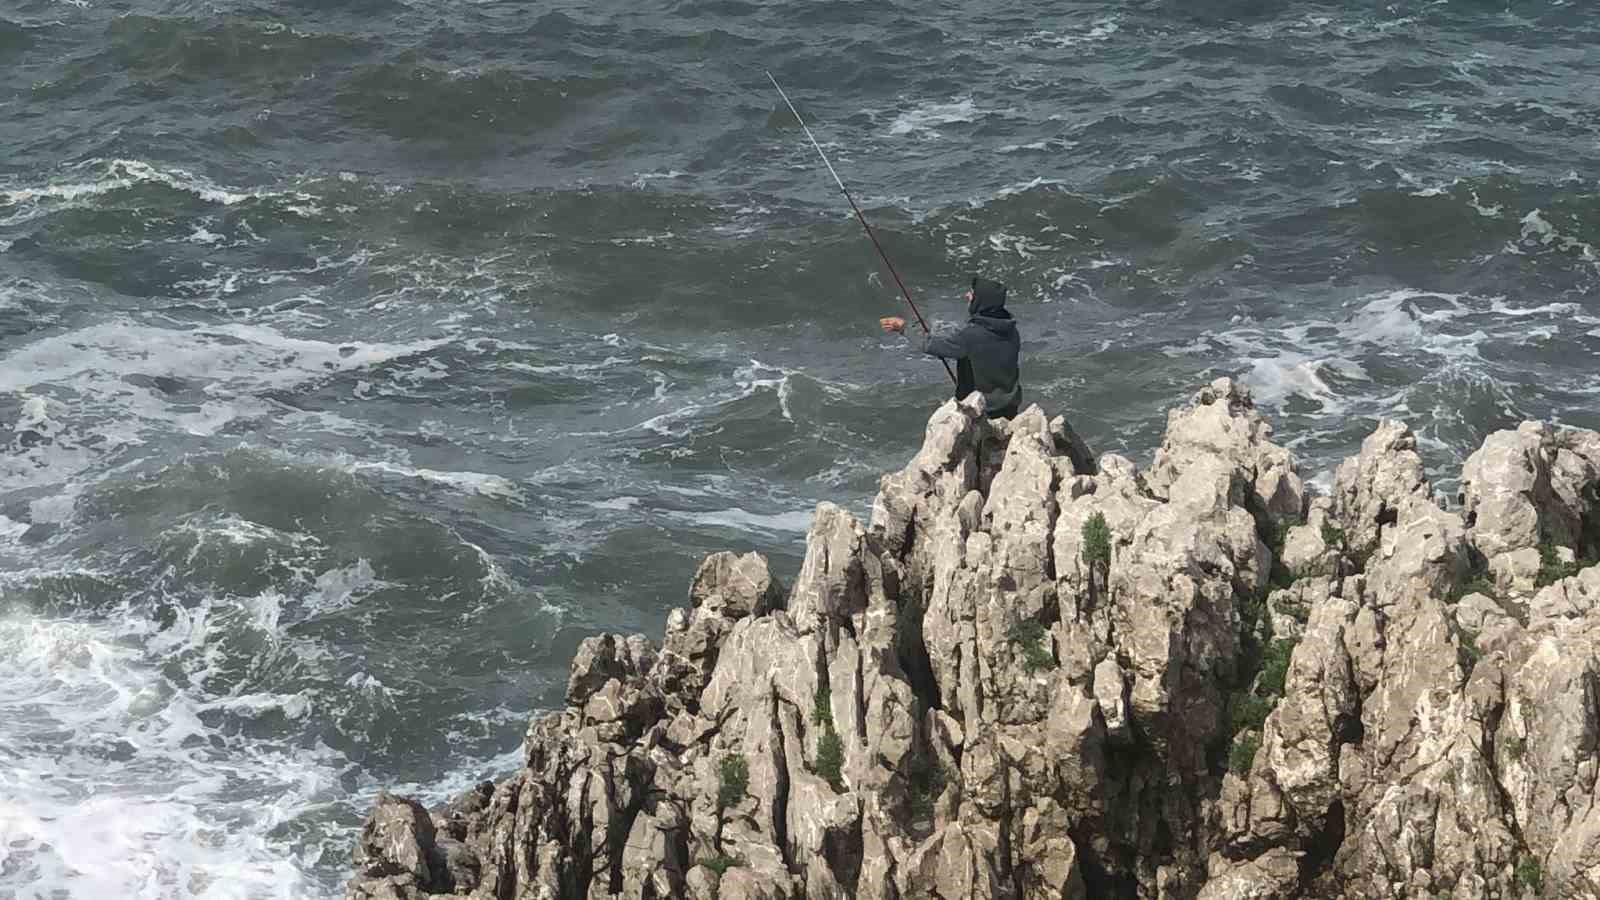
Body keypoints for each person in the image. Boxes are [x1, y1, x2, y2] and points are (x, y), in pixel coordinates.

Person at [880, 276, 1021, 419]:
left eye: (972, 293)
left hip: (984, 409)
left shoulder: (971, 335)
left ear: (981, 301)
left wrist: (904, 328)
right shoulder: (1011, 330)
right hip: (1010, 405)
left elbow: (931, 345)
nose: (967, 295)